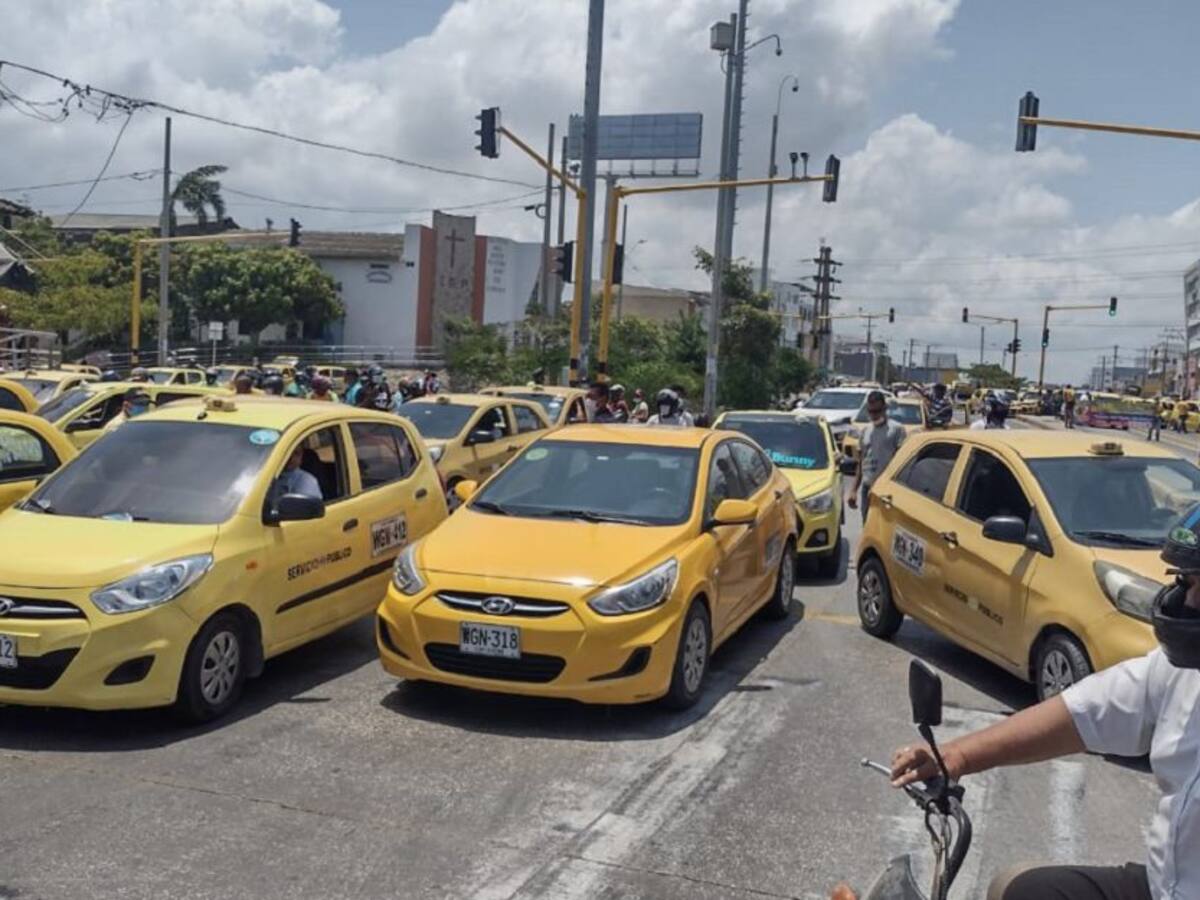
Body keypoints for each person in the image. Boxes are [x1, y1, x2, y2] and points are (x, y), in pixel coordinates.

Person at [892, 506, 1200, 900]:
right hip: (1162, 888)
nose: (1188, 602)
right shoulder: (1181, 670)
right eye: (1186, 582)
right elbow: (1083, 713)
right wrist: (957, 757)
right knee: (1021, 888)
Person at [847, 390, 905, 522]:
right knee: (867, 525)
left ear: (885, 408)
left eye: (877, 411)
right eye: (871, 411)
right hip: (868, 488)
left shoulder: (897, 430)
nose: (874, 415)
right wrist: (853, 490)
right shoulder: (866, 431)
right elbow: (861, 463)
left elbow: (901, 462)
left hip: (888, 490)